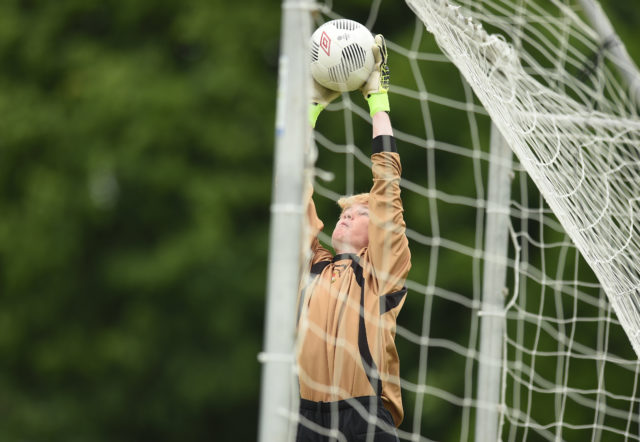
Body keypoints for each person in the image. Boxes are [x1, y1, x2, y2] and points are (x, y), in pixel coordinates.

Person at [296, 34, 411, 442]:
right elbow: (292, 187)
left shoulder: (380, 272)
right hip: (306, 417)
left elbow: (387, 186)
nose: (345, 217)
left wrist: (376, 98)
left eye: (359, 213)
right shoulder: (313, 265)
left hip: (363, 415)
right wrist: (311, 107)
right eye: (343, 212)